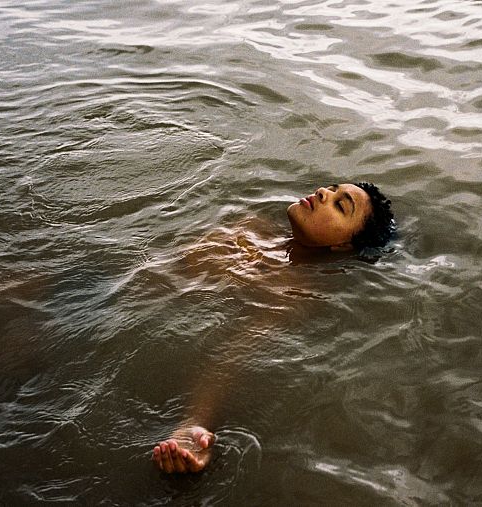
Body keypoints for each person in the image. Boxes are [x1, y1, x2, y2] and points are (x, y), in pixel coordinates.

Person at [152, 182, 394, 474]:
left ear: (343, 245)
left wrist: (194, 421)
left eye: (340, 205)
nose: (323, 193)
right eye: (331, 188)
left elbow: (234, 353)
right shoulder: (252, 227)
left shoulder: (293, 293)